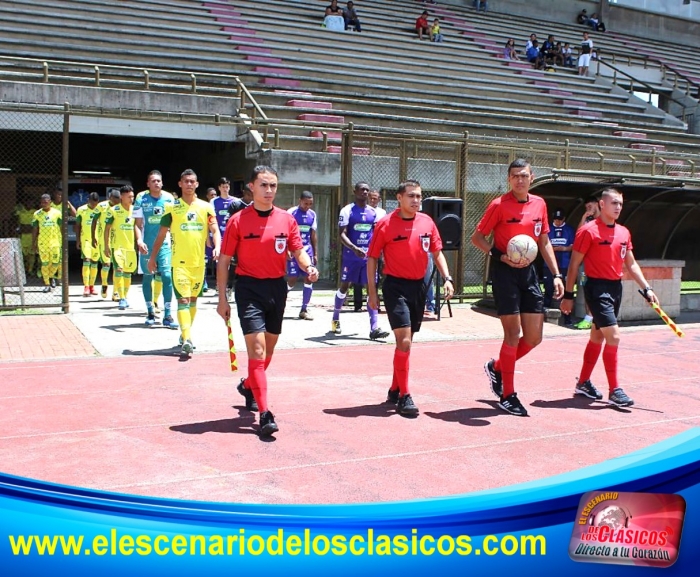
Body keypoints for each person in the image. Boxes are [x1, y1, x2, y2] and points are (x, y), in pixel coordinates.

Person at [217, 166, 319, 437]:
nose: (269, 190)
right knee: (258, 351)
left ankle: (248, 384)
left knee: (269, 351)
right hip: (248, 288)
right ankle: (264, 413)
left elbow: (298, 250)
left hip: (277, 287)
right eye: (263, 185)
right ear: (252, 187)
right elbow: (225, 260)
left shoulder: (287, 220)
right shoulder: (238, 221)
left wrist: (309, 267)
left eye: (273, 185)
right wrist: (222, 299)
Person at [471, 159, 564, 417]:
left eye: (523, 175)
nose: (519, 180)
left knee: (534, 338)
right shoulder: (498, 205)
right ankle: (508, 395)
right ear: (509, 180)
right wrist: (497, 254)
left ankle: (497, 367)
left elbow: (544, 240)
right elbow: (477, 238)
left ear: (531, 177)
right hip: (504, 273)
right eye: (514, 176)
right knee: (512, 334)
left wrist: (556, 274)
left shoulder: (540, 204)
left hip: (529, 273)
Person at [560, 189, 657, 407]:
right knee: (614, 337)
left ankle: (583, 382)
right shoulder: (588, 231)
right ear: (601, 205)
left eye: (620, 204)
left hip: (616, 288)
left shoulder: (624, 232)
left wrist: (647, 288)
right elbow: (574, 265)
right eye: (613, 203)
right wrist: (569, 296)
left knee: (597, 337)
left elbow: (630, 263)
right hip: (596, 288)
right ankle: (615, 390)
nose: (618, 207)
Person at [367, 180, 454, 416]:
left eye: (419, 196)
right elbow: (373, 257)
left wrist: (447, 278)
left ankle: (395, 388)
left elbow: (437, 252)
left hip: (419, 287)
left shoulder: (427, 222)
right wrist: (372, 293)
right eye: (411, 196)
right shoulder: (385, 224)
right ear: (399, 198)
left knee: (406, 342)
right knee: (404, 341)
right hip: (395, 287)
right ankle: (405, 396)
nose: (416, 200)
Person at [149, 169, 220, 356]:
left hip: (199, 264)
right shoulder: (172, 208)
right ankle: (187, 339)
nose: (189, 184)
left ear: (197, 184)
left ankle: (185, 332)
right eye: (186, 181)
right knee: (183, 300)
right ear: (180, 184)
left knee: (193, 300)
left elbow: (215, 230)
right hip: (179, 264)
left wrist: (218, 246)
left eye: (192, 181)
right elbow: (161, 235)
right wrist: (152, 257)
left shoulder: (206, 207)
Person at [332, 181, 390, 340]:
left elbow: (377, 235)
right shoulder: (347, 210)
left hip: (368, 259)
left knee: (371, 288)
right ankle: (335, 319)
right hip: (351, 257)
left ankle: (374, 328)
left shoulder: (374, 213)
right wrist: (354, 248)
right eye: (362, 189)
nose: (365, 192)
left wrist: (379, 253)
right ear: (355, 191)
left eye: (367, 190)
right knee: (344, 287)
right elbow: (342, 234)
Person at [133, 170, 177, 327]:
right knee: (148, 276)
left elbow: (175, 223)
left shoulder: (169, 199)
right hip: (147, 245)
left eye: (159, 180)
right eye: (153, 181)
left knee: (166, 276)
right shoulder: (140, 198)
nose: (156, 183)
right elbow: (137, 225)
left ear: (162, 183)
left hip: (165, 244)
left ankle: (168, 314)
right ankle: (150, 312)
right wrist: (139, 240)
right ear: (148, 184)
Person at [104, 186, 139, 311]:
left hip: (130, 248)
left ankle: (125, 295)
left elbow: (137, 226)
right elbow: (107, 229)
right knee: (119, 269)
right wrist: (106, 246)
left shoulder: (135, 210)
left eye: (132, 197)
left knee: (127, 273)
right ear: (122, 197)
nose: (131, 199)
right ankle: (122, 298)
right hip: (117, 246)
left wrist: (139, 241)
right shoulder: (113, 210)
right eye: (129, 197)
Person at [286, 191, 318, 320]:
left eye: (310, 204)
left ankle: (304, 309)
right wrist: (287, 249)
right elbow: (285, 232)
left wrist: (315, 253)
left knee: (309, 278)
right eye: (305, 203)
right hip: (294, 250)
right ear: (300, 200)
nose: (308, 206)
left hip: (307, 250)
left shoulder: (312, 214)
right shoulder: (291, 213)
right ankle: (279, 301)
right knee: (292, 279)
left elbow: (313, 234)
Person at [543, 208, 575, 326]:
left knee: (566, 291)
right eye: (556, 219)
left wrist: (563, 249)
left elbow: (573, 246)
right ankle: (544, 316)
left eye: (560, 219)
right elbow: (544, 245)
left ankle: (567, 317)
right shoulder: (548, 229)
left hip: (564, 264)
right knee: (548, 289)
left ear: (564, 219)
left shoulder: (569, 230)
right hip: (549, 264)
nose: (558, 222)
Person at [574, 195, 601, 330]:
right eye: (586, 208)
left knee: (599, 290)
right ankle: (588, 318)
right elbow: (579, 234)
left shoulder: (604, 219)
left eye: (590, 207)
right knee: (585, 288)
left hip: (600, 263)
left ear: (598, 204)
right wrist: (585, 216)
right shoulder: (587, 221)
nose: (589, 209)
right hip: (585, 263)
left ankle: (595, 318)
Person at [91, 189, 121, 300]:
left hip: (117, 240)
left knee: (117, 267)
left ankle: (115, 292)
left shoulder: (121, 207)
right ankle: (104, 284)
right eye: (115, 200)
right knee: (106, 265)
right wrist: (93, 236)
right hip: (104, 239)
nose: (117, 202)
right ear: (110, 198)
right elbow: (94, 220)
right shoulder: (101, 206)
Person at [211, 177, 238, 299]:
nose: (225, 189)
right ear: (219, 188)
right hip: (219, 236)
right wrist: (209, 237)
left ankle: (229, 287)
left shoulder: (236, 202)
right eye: (223, 187)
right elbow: (210, 220)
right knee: (220, 262)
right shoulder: (214, 202)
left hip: (232, 236)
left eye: (227, 187)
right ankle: (220, 285)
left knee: (232, 263)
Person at [32, 194, 62, 293]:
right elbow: (35, 230)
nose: (44, 204)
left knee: (55, 263)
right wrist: (34, 243)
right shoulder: (37, 214)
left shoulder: (57, 213)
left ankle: (51, 276)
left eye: (46, 202)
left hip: (55, 242)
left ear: (50, 202)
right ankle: (47, 284)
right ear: (40, 203)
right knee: (45, 263)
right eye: (42, 202)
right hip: (42, 243)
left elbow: (62, 227)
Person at [74, 192, 100, 296]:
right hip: (86, 239)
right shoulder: (81, 210)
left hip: (98, 240)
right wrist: (77, 240)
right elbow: (78, 226)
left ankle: (92, 286)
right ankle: (86, 287)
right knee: (86, 260)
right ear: (88, 200)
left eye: (96, 203)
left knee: (94, 262)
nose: (94, 205)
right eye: (92, 203)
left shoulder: (101, 209)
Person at [14, 196, 37, 278]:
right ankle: (22, 271)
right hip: (22, 236)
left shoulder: (35, 212)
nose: (30, 204)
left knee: (32, 255)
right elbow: (15, 221)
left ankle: (29, 270)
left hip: (32, 236)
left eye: (32, 202)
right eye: (28, 202)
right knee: (22, 254)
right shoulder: (20, 211)